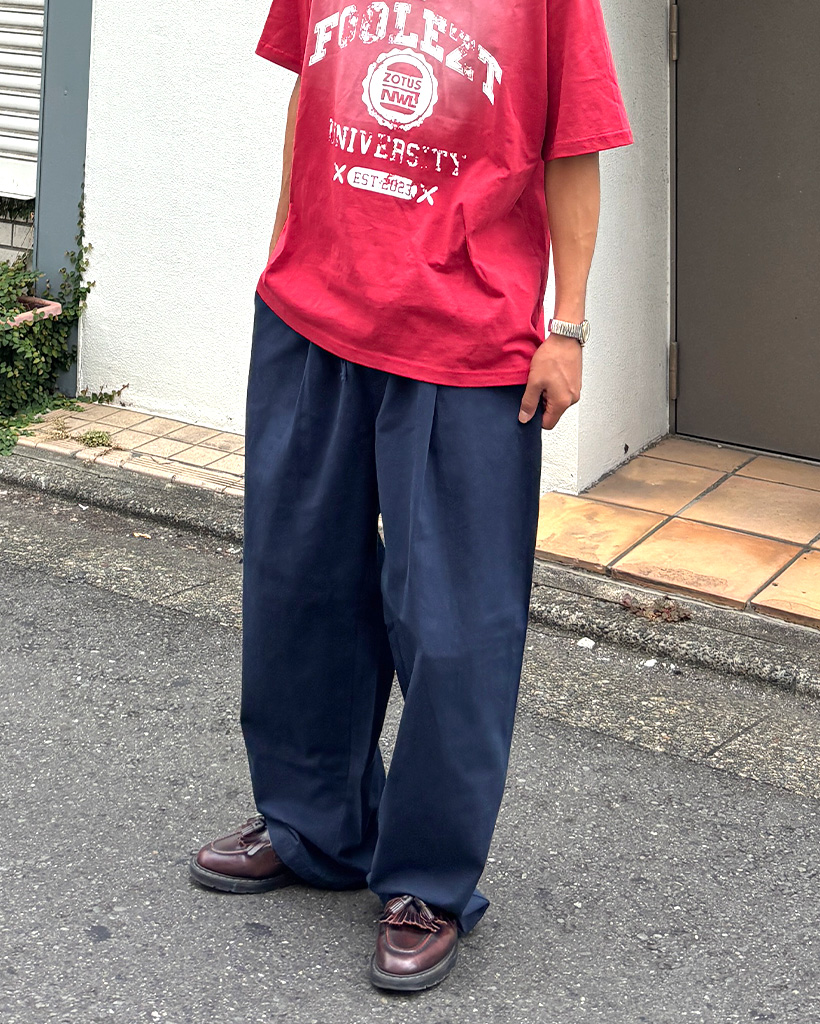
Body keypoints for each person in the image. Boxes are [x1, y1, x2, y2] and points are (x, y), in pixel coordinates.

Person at [191, 0, 632, 992]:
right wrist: (280, 249)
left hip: (466, 346)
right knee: (298, 588)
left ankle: (428, 881)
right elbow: (310, 94)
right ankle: (312, 826)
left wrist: (567, 328)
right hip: (312, 316)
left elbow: (574, 146)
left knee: (456, 627)